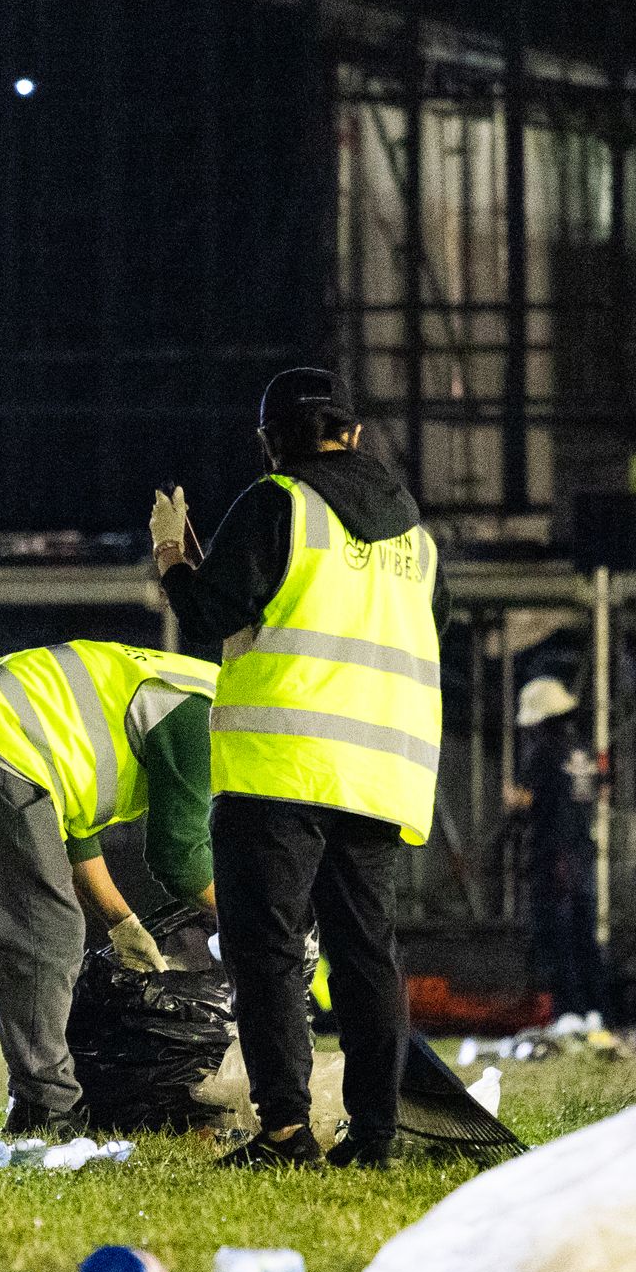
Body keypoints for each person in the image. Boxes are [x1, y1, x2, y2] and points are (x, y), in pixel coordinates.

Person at [153, 366, 447, 1167]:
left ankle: (285, 1131)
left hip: (280, 767)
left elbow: (214, 610)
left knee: (270, 951)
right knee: (365, 953)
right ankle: (376, 1135)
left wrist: (175, 557)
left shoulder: (277, 502)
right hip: (380, 772)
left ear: (274, 440)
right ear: (351, 433)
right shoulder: (417, 542)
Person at [0, 642, 220, 1132]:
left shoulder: (188, 685)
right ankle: (45, 1110)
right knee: (44, 935)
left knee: (10, 946)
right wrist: (248, 920)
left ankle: (36, 1098)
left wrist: (123, 923)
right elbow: (179, 858)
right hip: (1, 744)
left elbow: (77, 834)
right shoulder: (209, 718)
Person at [501, 673, 605, 1019]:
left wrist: (513, 799)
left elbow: (530, 798)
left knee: (556, 936)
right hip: (582, 853)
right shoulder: (583, 749)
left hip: (553, 855)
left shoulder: (543, 751)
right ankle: (595, 1009)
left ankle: (566, 1011)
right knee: (584, 935)